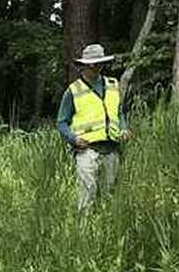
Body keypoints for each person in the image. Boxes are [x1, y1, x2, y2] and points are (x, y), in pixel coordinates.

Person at [57, 43, 133, 212]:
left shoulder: (113, 85)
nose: (97, 68)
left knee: (109, 197)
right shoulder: (73, 91)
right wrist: (73, 139)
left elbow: (120, 113)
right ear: (84, 66)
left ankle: (106, 233)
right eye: (93, 65)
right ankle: (83, 234)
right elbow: (61, 123)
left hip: (112, 149)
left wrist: (124, 128)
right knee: (86, 197)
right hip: (86, 151)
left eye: (100, 64)